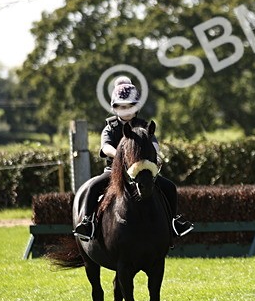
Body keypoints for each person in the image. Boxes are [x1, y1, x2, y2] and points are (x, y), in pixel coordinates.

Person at [73, 78, 194, 242]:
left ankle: (174, 222)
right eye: (122, 107)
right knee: (93, 187)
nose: (126, 110)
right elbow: (105, 147)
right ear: (115, 108)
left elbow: (154, 144)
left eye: (130, 106)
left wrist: (154, 155)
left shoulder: (144, 126)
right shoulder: (110, 127)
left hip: (142, 170)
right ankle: (88, 223)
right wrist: (119, 155)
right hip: (115, 171)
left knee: (169, 187)